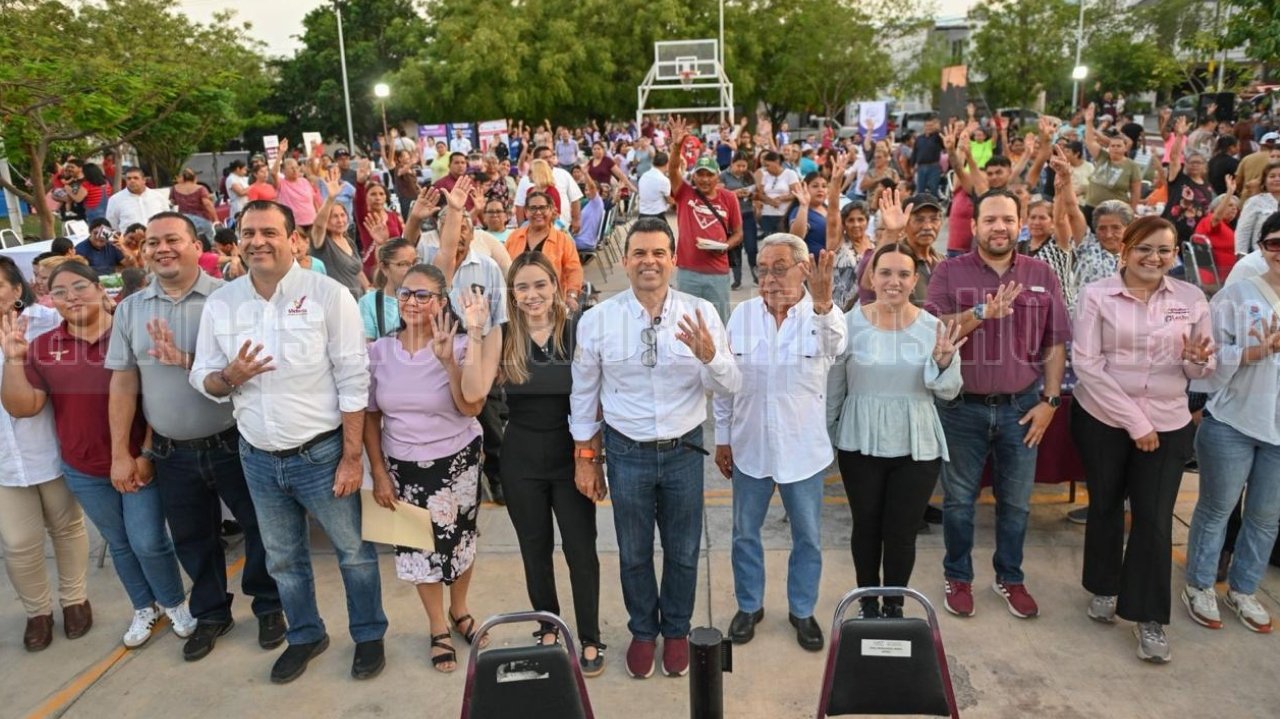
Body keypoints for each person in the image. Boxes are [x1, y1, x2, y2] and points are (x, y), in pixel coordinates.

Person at [189, 200, 387, 684]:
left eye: (269, 232)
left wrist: (352, 457)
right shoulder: (223, 302)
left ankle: (368, 634)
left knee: (353, 552)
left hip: (322, 454)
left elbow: (353, 379)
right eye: (247, 233)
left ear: (294, 239)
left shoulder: (328, 295)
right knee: (283, 558)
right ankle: (305, 635)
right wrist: (228, 377)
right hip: (257, 457)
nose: (257, 241)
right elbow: (202, 375)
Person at [105, 212, 283, 661]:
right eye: (152, 242)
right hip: (171, 452)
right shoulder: (130, 309)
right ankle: (211, 613)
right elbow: (123, 384)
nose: (162, 249)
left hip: (233, 443)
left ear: (195, 246)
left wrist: (184, 358)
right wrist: (120, 452)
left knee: (260, 527)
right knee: (192, 538)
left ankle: (268, 606)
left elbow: (251, 368)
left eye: (173, 239)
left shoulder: (230, 299)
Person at [570, 217, 741, 679]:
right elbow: (584, 395)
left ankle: (677, 629)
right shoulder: (598, 320)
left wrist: (711, 356)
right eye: (640, 253)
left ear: (674, 260)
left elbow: (730, 384)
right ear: (625, 261)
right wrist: (586, 459)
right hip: (627, 453)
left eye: (659, 253)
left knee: (684, 550)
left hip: (685, 451)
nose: (649, 262)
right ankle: (644, 631)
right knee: (633, 552)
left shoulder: (701, 313)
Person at [1, 261, 196, 649]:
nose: (71, 297)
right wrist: (15, 361)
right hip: (83, 468)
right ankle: (143, 607)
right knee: (119, 543)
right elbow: (24, 407)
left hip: (136, 461)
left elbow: (158, 400)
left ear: (99, 289)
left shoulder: (131, 335)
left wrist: (145, 453)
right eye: (60, 292)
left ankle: (174, 602)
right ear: (51, 300)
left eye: (79, 287)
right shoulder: (44, 346)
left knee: (148, 541)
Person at [1071, 216, 1214, 663]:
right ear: (1126, 250)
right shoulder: (1097, 295)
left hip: (1168, 421)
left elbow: (1201, 366)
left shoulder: (1190, 299)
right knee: (1106, 504)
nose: (1154, 258)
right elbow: (1087, 365)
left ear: (1175, 255)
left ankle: (1149, 616)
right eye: (1144, 248)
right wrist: (1136, 423)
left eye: (1164, 250)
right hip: (1103, 418)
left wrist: (1197, 362)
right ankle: (1104, 585)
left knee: (1153, 518)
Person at [924, 189, 1071, 619]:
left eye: (1007, 219)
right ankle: (958, 576)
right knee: (958, 501)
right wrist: (980, 314)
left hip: (1021, 408)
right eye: (990, 219)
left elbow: (1055, 342)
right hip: (960, 408)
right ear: (974, 226)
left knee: (1017, 503)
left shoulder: (1041, 273)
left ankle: (1010, 577)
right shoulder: (949, 272)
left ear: (1019, 224)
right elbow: (933, 328)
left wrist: (1050, 401)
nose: (999, 227)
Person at [365, 263, 499, 673]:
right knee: (417, 550)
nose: (412, 302)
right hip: (402, 467)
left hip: (456, 462)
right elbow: (370, 416)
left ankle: (460, 610)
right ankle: (437, 626)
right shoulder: (378, 351)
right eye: (405, 293)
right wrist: (379, 472)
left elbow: (471, 407)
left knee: (460, 542)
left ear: (442, 302)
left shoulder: (459, 345)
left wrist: (448, 363)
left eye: (423, 295)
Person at [714, 235, 844, 650]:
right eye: (763, 269)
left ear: (804, 270)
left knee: (807, 538)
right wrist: (722, 438)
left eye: (779, 268)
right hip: (749, 448)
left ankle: (802, 610)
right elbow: (726, 385)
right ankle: (749, 605)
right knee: (744, 534)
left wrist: (823, 305)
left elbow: (836, 346)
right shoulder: (741, 316)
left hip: (802, 452)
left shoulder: (824, 315)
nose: (768, 278)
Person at [828, 242, 964, 620]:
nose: (894, 281)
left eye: (903, 274)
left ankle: (894, 606)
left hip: (916, 444)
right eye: (885, 272)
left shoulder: (933, 327)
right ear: (871, 278)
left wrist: (943, 363)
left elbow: (950, 390)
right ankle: (868, 603)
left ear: (915, 280)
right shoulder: (848, 324)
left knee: (902, 532)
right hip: (860, 440)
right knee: (866, 527)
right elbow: (835, 389)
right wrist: (825, 437)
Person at [498, 252, 604, 675]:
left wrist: (591, 457)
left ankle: (591, 636)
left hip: (570, 456)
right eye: (522, 287)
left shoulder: (578, 332)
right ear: (512, 294)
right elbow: (472, 395)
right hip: (520, 458)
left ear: (555, 286)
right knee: (534, 548)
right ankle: (547, 624)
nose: (532, 294)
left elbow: (598, 399)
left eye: (540, 284)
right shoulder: (502, 336)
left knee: (581, 549)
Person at [1182, 211, 1280, 636]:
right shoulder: (1237, 296)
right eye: (1275, 243)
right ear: (1262, 247)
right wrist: (1253, 352)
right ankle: (1199, 584)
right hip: (1232, 422)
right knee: (1216, 509)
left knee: (1265, 517)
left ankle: (1243, 589)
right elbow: (1205, 361)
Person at [0, 256, 91, 651]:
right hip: (4, 463)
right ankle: (37, 612)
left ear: (16, 288)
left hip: (52, 448)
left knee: (67, 527)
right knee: (18, 542)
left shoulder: (48, 322)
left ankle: (75, 599)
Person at [667, 120, 743, 323]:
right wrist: (677, 146)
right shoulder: (685, 193)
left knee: (719, 322)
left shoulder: (729, 198)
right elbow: (673, 170)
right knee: (687, 322)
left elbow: (738, 233)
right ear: (694, 177)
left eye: (709, 175)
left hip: (718, 272)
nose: (705, 179)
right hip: (688, 272)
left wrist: (725, 245)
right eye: (700, 175)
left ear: (717, 176)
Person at [504, 190, 585, 310]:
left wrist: (571, 295)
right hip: (518, 304)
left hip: (552, 305)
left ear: (551, 210)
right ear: (526, 211)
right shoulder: (514, 237)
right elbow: (504, 268)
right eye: (533, 208)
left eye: (542, 208)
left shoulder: (562, 240)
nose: (538, 212)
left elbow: (574, 270)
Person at [311, 168, 369, 298]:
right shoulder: (322, 242)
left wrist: (370, 291)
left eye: (343, 215)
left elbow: (358, 271)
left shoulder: (349, 241)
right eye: (335, 216)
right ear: (327, 220)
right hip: (336, 301)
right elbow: (319, 225)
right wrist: (331, 198)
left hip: (358, 299)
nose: (340, 220)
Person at [1083, 106, 1142, 219]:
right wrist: (1089, 122)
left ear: (1125, 148)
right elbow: (1090, 141)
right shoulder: (1102, 156)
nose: (1115, 148)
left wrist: (1132, 210)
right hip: (1091, 206)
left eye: (1118, 146)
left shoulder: (1132, 166)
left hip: (1114, 211)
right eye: (1112, 146)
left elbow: (1135, 192)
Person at [359, 238, 416, 341]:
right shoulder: (368, 303)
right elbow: (367, 346)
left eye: (415, 263)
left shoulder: (425, 299)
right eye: (403, 264)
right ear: (384, 268)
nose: (412, 269)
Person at [720, 152, 758, 288]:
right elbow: (718, 194)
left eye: (744, 166)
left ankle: (756, 275)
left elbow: (757, 192)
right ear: (732, 163)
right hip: (731, 217)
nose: (741, 169)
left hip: (747, 214)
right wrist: (733, 194)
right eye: (738, 166)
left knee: (751, 247)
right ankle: (737, 279)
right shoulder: (723, 176)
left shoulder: (749, 175)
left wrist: (750, 193)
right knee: (735, 248)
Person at [1235, 162, 1280, 255]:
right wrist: (1241, 255)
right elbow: (1243, 232)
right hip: (1261, 256)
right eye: (1272, 176)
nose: (1277, 179)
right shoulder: (1255, 202)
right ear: (1264, 181)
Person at [105, 167, 169, 232]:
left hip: (157, 236)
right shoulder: (115, 200)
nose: (132, 181)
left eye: (136, 178)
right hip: (129, 238)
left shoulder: (158, 197)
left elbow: (168, 219)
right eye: (129, 178)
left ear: (144, 180)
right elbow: (111, 226)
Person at [1196, 188, 1241, 280]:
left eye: (1236, 207)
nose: (1234, 209)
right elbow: (1216, 218)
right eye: (1230, 205)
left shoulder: (1225, 226)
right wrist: (1230, 192)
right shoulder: (1210, 220)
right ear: (1217, 208)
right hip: (1216, 278)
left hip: (1227, 275)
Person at [757, 151, 800, 237]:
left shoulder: (790, 174)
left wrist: (781, 199)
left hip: (784, 214)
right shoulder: (765, 175)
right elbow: (760, 194)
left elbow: (796, 193)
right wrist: (770, 201)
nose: (766, 168)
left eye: (768, 165)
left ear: (776, 162)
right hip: (767, 214)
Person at [169, 169, 219, 242]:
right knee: (208, 241)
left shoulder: (175, 188)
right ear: (194, 178)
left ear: (183, 178)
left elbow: (172, 202)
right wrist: (216, 219)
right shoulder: (200, 188)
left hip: (184, 220)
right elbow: (207, 204)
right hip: (201, 219)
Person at [787, 172, 830, 257]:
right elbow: (796, 238)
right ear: (805, 189)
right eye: (815, 186)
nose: (820, 189)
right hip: (811, 262)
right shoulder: (800, 211)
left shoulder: (829, 209)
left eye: (824, 186)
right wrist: (804, 205)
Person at [911, 116, 944, 197]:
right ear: (924, 127)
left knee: (933, 188)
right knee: (920, 189)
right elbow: (915, 152)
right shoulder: (919, 139)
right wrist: (912, 165)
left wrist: (938, 129)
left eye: (931, 126)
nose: (929, 128)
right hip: (921, 167)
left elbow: (943, 142)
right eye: (927, 126)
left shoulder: (937, 137)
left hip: (933, 167)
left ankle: (934, 203)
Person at [636, 151, 673, 222]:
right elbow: (669, 200)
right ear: (667, 164)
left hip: (642, 216)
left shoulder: (643, 176)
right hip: (657, 217)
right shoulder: (664, 180)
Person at [225, 160, 252, 225]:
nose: (245, 172)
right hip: (239, 207)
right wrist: (253, 187)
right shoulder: (231, 179)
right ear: (238, 169)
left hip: (247, 205)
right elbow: (241, 192)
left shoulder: (243, 178)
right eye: (244, 169)